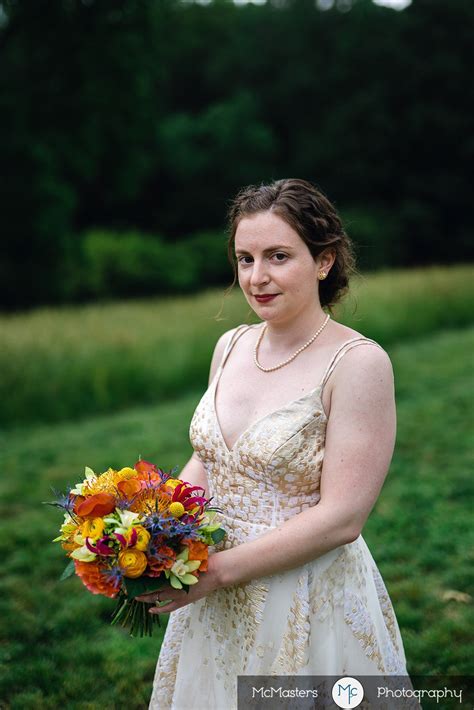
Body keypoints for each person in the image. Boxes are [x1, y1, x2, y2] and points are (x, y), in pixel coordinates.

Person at [139, 179, 413, 709]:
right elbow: (209, 457)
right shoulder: (232, 344)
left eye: (278, 256)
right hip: (212, 592)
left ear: (325, 261)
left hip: (302, 596)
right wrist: (145, 531)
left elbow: (342, 519)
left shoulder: (358, 364)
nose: (256, 277)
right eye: (245, 259)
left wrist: (214, 574)